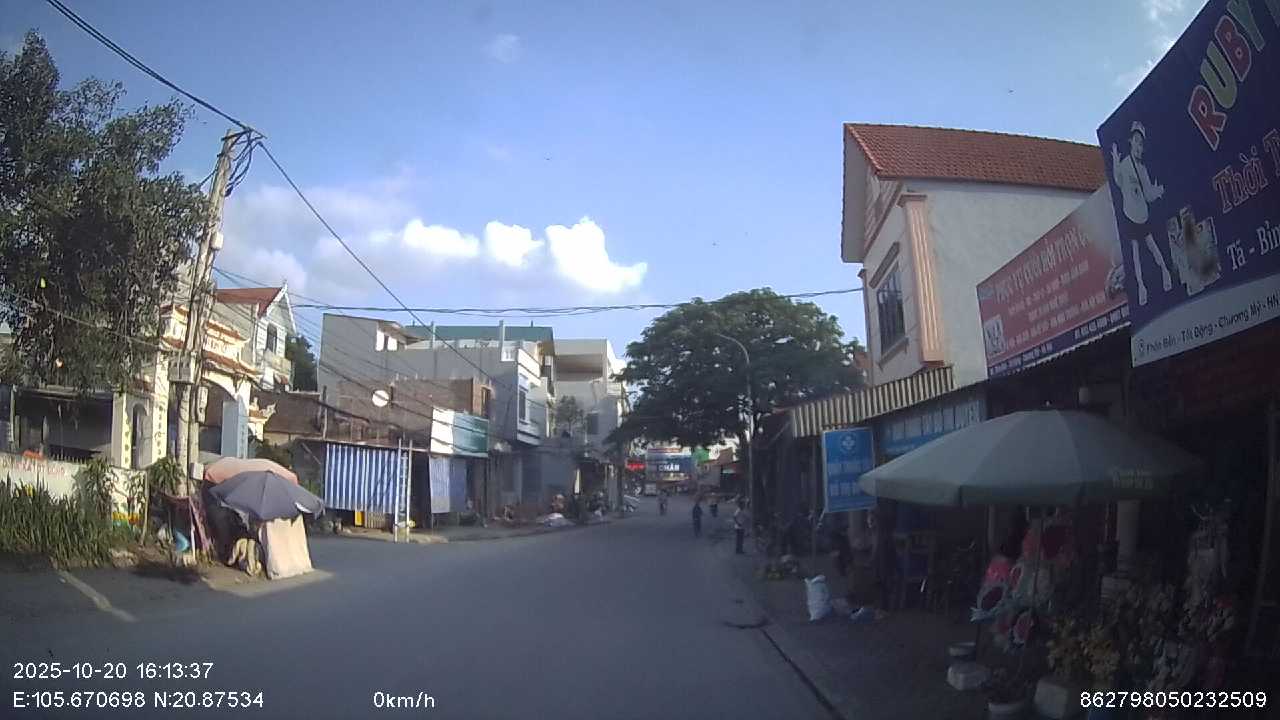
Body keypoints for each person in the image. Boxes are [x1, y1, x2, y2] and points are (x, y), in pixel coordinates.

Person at [1110, 121, 1172, 307]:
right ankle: (1141, 287)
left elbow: (1149, 194)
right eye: (1136, 142)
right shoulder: (1125, 164)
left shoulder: (1143, 170)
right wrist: (1115, 160)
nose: (1139, 147)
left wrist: (1159, 191)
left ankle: (1165, 271)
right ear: (1131, 142)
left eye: (1141, 144)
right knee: (1135, 254)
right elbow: (1118, 181)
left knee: (1152, 246)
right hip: (1130, 216)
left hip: (1142, 216)